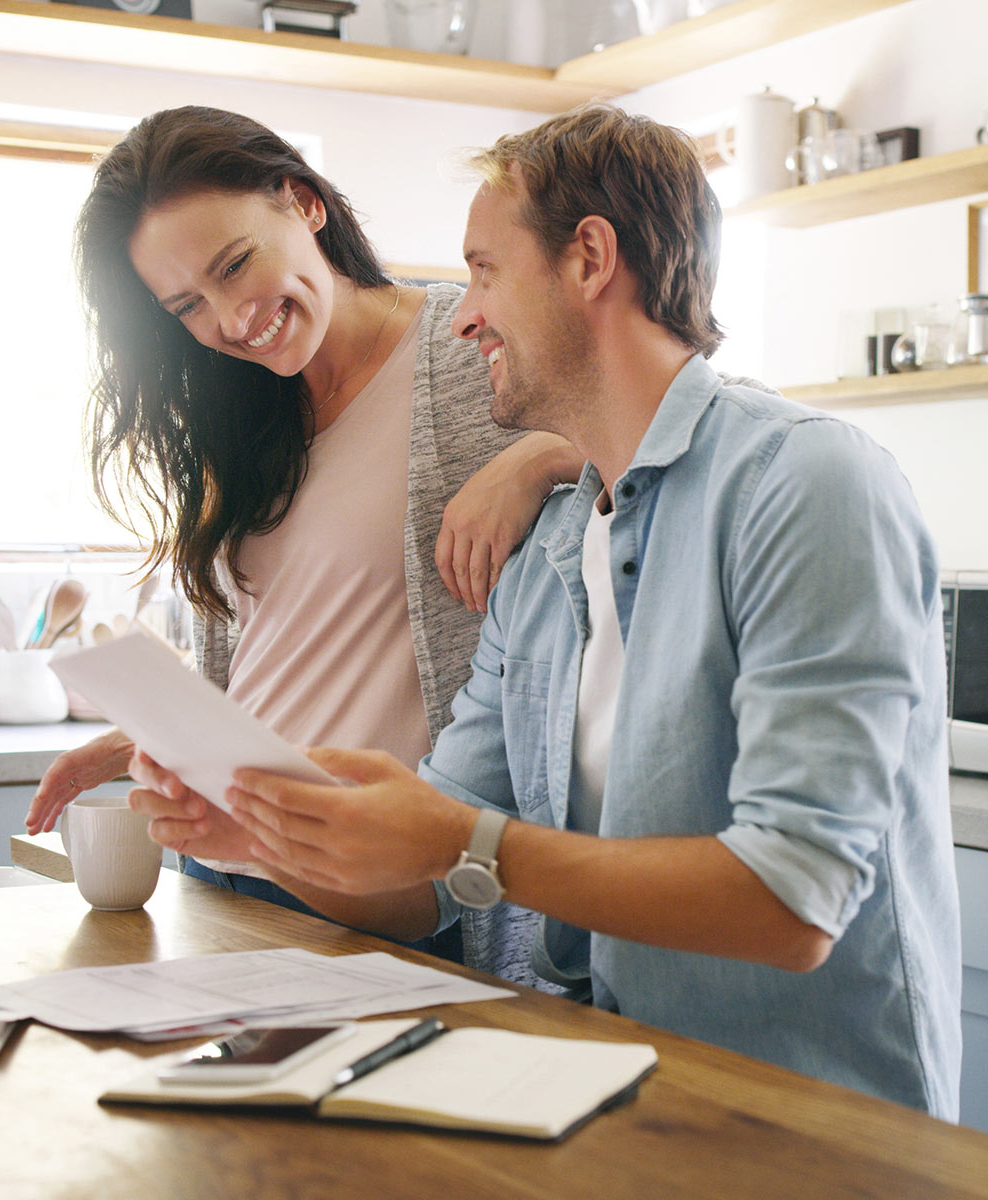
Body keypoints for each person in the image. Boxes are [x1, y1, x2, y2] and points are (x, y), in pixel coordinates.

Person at [129, 103, 963, 1118]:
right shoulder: (546, 560)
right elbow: (426, 880)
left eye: (483, 271)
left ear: (590, 260)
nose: (465, 314)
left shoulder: (810, 485)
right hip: (601, 1098)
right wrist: (261, 829)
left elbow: (796, 899)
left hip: (807, 1129)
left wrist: (463, 842)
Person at [24, 105, 582, 976]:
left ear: (303, 202)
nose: (231, 320)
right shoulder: (236, 417)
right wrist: (159, 734)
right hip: (226, 873)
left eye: (235, 264)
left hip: (393, 891)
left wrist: (539, 459)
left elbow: (668, 410)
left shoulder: (468, 344)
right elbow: (283, 651)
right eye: (186, 305)